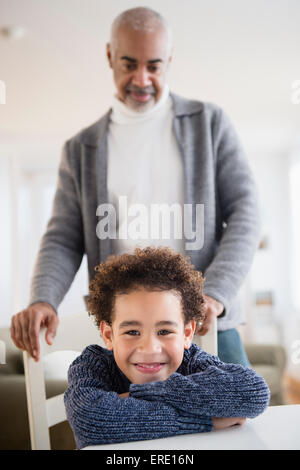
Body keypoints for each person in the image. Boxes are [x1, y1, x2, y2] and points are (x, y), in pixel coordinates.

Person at [10, 7, 260, 366]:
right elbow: (63, 238)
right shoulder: (81, 150)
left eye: (153, 66)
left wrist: (216, 294)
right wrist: (43, 299)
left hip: (207, 327)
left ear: (169, 60)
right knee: (129, 423)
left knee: (241, 417)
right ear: (110, 56)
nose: (141, 79)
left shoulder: (210, 124)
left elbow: (246, 213)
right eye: (129, 64)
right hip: (127, 339)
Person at [64, 246, 269, 449]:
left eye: (164, 332)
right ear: (109, 335)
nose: (150, 349)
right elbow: (91, 420)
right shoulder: (92, 364)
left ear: (187, 334)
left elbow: (254, 393)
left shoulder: (191, 360)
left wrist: (138, 395)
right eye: (132, 332)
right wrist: (203, 421)